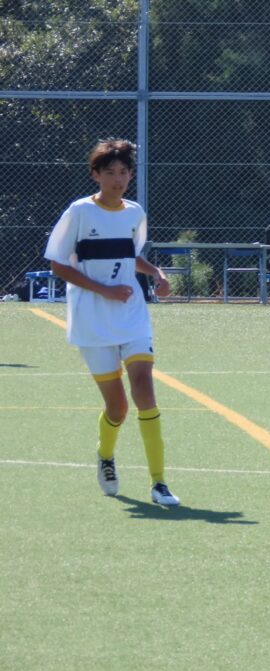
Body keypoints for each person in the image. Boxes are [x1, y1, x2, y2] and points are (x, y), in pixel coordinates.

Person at [43, 138, 182, 507]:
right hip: (91, 318)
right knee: (118, 408)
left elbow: (130, 255)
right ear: (96, 175)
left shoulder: (134, 212)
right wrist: (103, 290)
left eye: (124, 172)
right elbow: (58, 264)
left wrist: (156, 274)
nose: (118, 179)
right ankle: (105, 456)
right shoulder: (79, 212)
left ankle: (159, 483)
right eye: (110, 172)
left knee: (144, 388)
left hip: (131, 312)